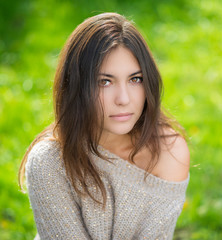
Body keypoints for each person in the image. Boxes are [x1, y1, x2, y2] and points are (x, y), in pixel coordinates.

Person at [18, 12, 190, 239]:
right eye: (105, 82)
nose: (123, 99)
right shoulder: (50, 161)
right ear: (76, 86)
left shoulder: (169, 152)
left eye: (135, 79)